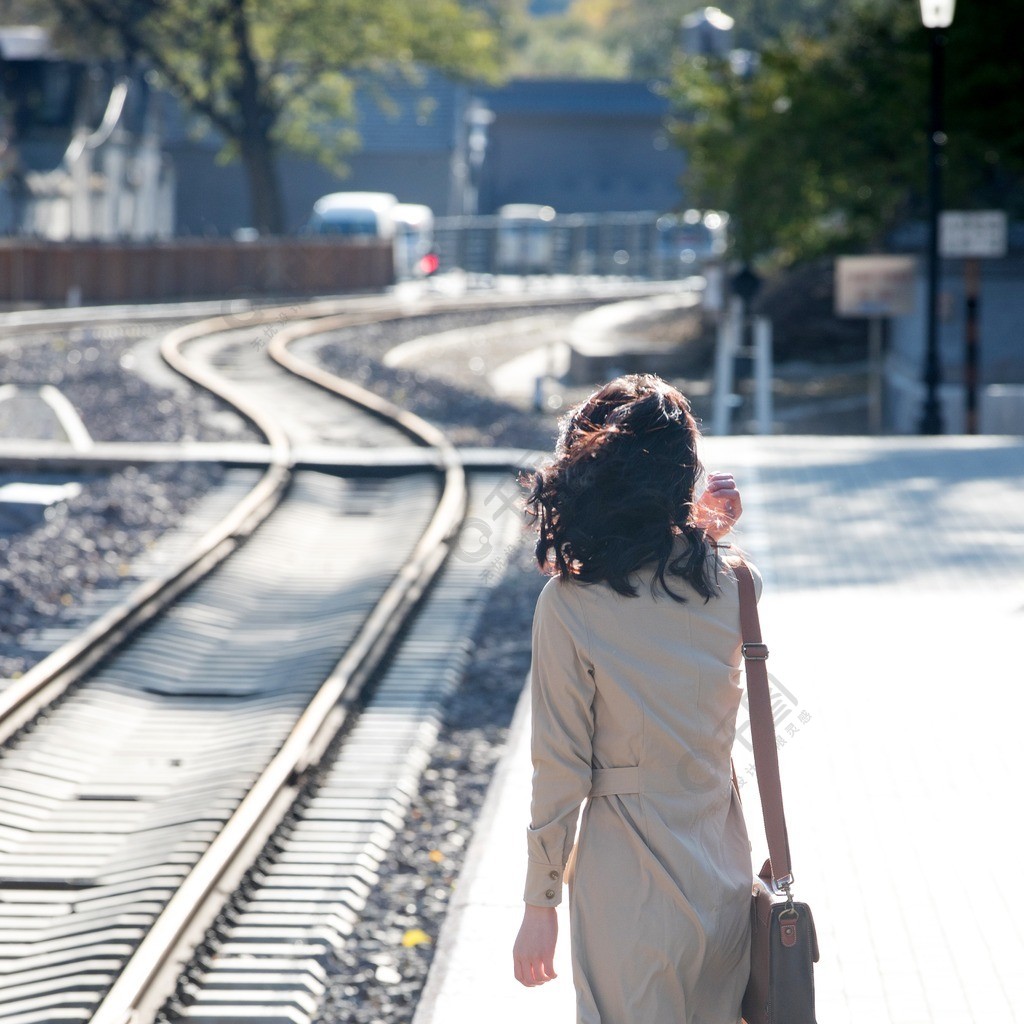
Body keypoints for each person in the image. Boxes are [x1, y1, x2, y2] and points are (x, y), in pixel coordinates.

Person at [512, 373, 758, 1024]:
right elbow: (678, 634)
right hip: (726, 890)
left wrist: (540, 904)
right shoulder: (735, 586)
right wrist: (703, 536)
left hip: (632, 899)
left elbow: (560, 768)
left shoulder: (569, 607)